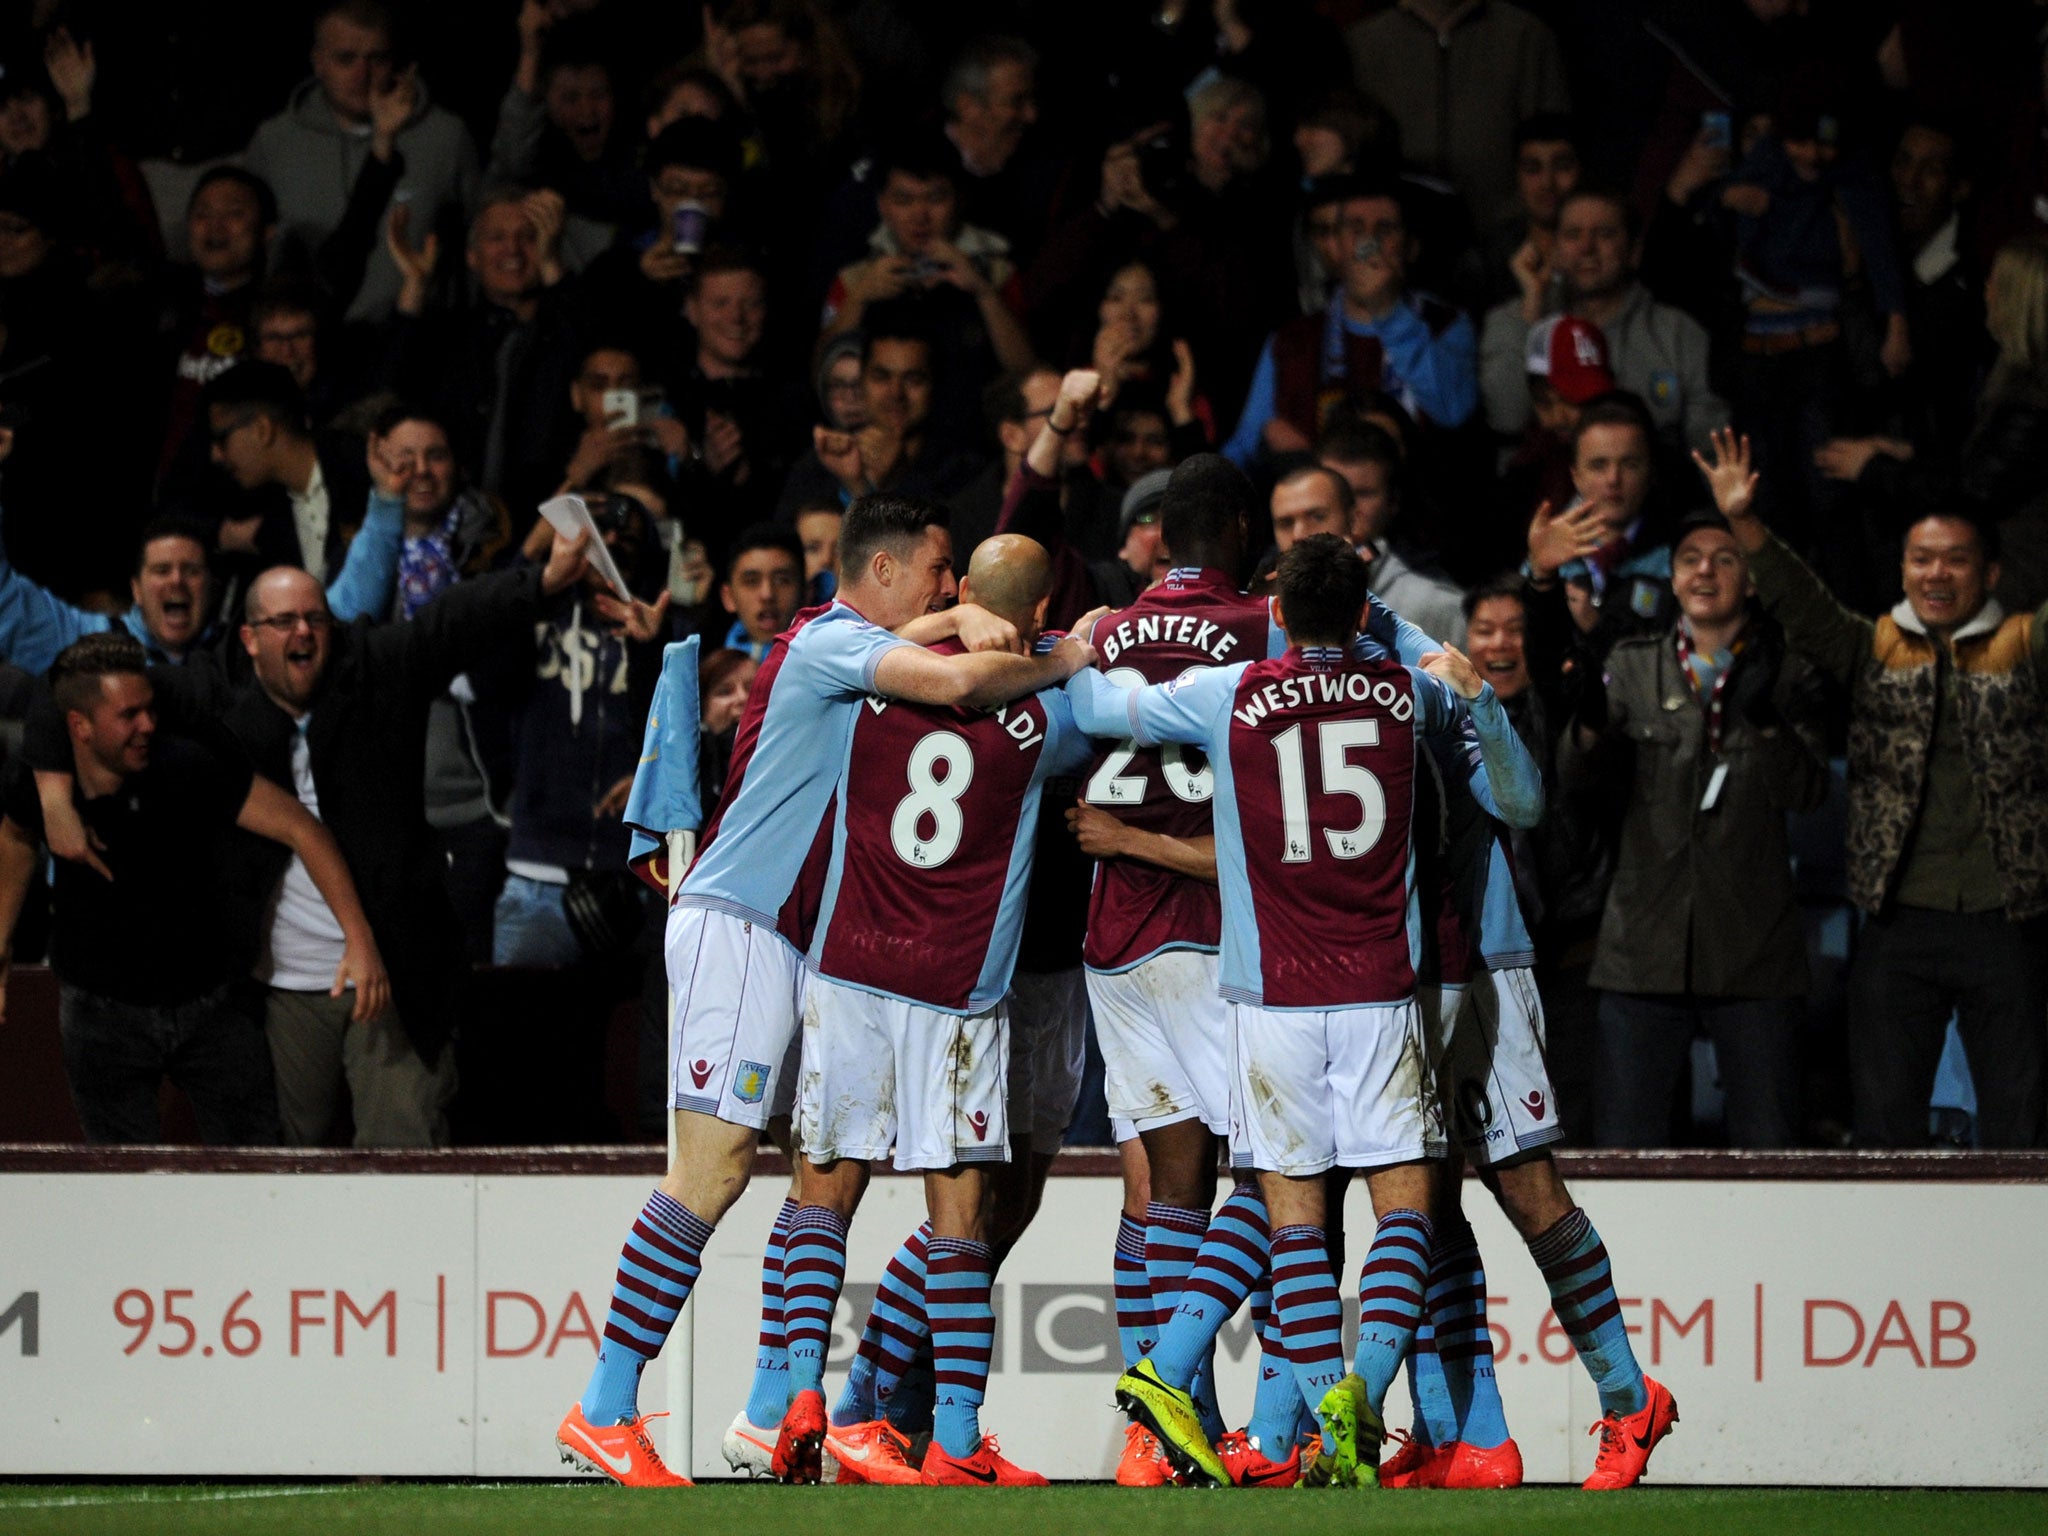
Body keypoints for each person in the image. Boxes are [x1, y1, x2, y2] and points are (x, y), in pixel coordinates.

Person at [558, 494, 1097, 1488]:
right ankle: (603, 1409)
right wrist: (1059, 653)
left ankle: (774, 1412)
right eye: (936, 572)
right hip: (744, 927)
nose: (945, 588)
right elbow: (965, 681)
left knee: (822, 1175)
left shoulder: (848, 641)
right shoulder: (824, 644)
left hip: (810, 948)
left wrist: (978, 620)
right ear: (882, 571)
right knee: (712, 1174)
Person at [1070, 534, 1530, 1488]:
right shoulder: (1414, 695)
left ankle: (1210, 1384)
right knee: (1407, 1204)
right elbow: (1520, 802)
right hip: (1377, 991)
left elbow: (1093, 706)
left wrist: (1084, 644)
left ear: (1275, 614)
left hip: (1267, 995)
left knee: (1288, 1219)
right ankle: (1353, 1397)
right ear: (1365, 614)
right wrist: (1477, 689)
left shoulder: (1229, 691)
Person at [786, 534, 1091, 1489]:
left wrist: (952, 623)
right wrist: (1066, 652)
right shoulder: (1052, 720)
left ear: (961, 591)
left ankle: (798, 1409)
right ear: (1036, 611)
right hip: (955, 991)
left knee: (818, 1199)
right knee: (961, 1219)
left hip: (847, 972)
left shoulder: (862, 687)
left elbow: (884, 659)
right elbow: (1076, 702)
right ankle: (954, 1441)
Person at [1700, 429, 2048, 1150]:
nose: (1937, 574)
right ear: (1903, 569)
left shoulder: (2024, 647)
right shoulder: (1875, 647)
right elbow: (1803, 605)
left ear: (1989, 573)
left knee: (2022, 1125)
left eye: (1956, 560)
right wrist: (1743, 522)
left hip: (2007, 919)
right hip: (1898, 925)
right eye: (1922, 559)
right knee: (1885, 1130)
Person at [0, 632, 387, 1145]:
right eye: (129, 715)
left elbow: (303, 828)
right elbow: (16, 837)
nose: (148, 725)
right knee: (120, 1183)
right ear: (79, 726)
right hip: (99, 1014)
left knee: (255, 1169)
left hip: (209, 1005)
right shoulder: (41, 782)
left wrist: (358, 937)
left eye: (149, 709)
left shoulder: (186, 763)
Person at [1561, 505, 1829, 1147]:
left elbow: (1810, 792)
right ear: (1673, 578)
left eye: (1725, 557)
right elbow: (1575, 788)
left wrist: (1766, 723)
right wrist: (1590, 730)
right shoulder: (1629, 666)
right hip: (1640, 949)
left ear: (1753, 580)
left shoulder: (1791, 672)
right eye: (1690, 559)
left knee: (1773, 1152)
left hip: (1755, 951)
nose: (1705, 569)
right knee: (1626, 1149)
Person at [243, 0, 480, 323]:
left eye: (377, 59)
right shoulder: (274, 142)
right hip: (309, 343)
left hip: (418, 338)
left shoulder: (445, 137)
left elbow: (481, 237)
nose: (362, 75)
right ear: (318, 62)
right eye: (345, 59)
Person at [1224, 180, 1477, 470]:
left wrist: (1387, 309)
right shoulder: (1291, 340)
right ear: (1336, 246)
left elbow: (1454, 412)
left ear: (1411, 247)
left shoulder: (1445, 322)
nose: (1368, 243)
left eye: (1384, 229)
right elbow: (1244, 447)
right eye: (1355, 229)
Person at [1480, 187, 1728, 453]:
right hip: (1542, 490)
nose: (1586, 247)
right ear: (1556, 251)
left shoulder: (1678, 333)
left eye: (1605, 234)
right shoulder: (1515, 319)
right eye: (1573, 235)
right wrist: (1532, 310)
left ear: (1634, 251)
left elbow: (1711, 451)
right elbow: (1507, 419)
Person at [1344, 0, 1570, 233]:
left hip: (1506, 240)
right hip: (1397, 240)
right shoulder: (1363, 45)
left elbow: (1559, 150)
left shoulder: (1525, 36)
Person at [776, 318, 984, 519]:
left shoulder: (965, 473)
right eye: (881, 376)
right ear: (863, 381)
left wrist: (891, 484)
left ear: (935, 386)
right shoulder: (820, 467)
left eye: (913, 379)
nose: (896, 393)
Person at [201, 362, 372, 589]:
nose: (216, 455)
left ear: (263, 429)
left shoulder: (364, 473)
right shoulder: (269, 519)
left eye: (222, 439)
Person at [716, 524, 804, 662]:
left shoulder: (829, 670)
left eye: (782, 580)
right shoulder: (705, 674)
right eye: (752, 581)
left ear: (807, 592)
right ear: (728, 597)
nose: (767, 594)